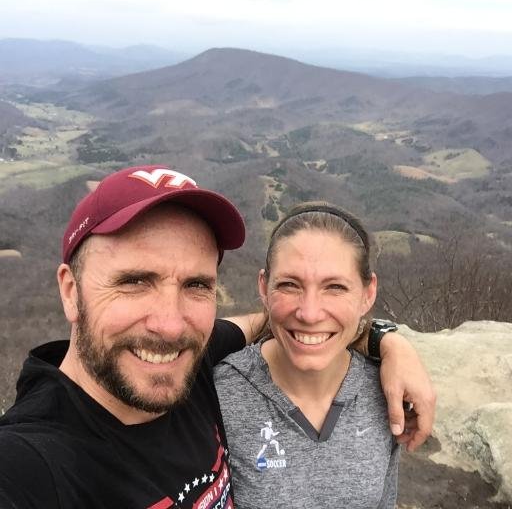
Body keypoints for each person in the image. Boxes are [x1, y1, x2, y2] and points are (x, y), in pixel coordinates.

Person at [0, 165, 434, 508]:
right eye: (134, 281)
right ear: (71, 292)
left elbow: (282, 323)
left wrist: (385, 340)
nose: (170, 326)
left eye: (196, 286)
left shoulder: (194, 366)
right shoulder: (34, 461)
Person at [214, 201, 405, 508]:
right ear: (263, 287)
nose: (310, 313)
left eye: (335, 287)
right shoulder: (220, 394)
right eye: (289, 285)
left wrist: (392, 344)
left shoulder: (385, 391)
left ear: (367, 294)